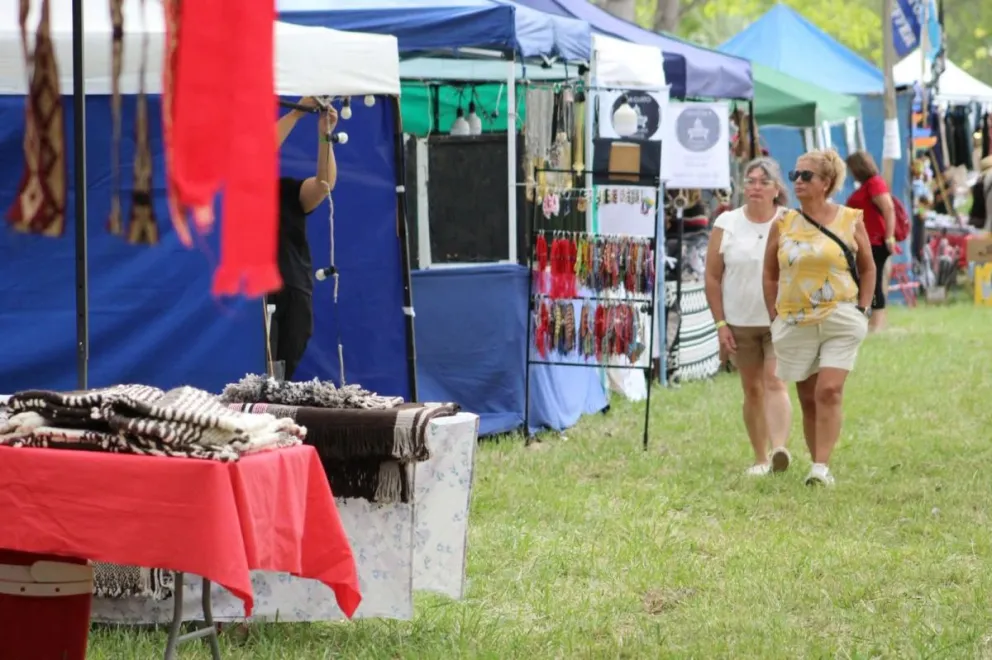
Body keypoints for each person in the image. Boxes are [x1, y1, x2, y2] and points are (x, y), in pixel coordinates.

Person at [762, 149, 877, 487]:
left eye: (806, 175)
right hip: (795, 320)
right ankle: (816, 461)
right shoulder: (782, 223)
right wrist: (774, 314)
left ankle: (821, 469)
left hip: (841, 316)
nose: (797, 180)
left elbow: (868, 267)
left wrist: (863, 309)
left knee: (829, 390)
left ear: (826, 183)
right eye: (795, 174)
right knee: (808, 396)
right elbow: (769, 273)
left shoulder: (850, 219)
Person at [704, 158, 793, 476]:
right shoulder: (726, 224)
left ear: (776, 189)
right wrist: (720, 324)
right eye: (750, 181)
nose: (755, 187)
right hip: (740, 321)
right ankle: (760, 457)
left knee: (775, 382)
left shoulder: (789, 222)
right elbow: (713, 278)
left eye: (763, 182)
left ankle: (780, 449)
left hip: (778, 321)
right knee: (751, 389)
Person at [267, 97, 338, 381]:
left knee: (280, 378)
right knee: (257, 374)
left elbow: (323, 185)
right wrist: (296, 114)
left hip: (293, 292)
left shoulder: (284, 190)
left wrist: (325, 133)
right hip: (255, 298)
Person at [844, 151, 898, 332]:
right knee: (866, 281)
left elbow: (888, 209)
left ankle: (876, 324)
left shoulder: (875, 183)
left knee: (872, 281)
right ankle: (873, 321)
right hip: (865, 241)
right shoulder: (867, 185)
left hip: (875, 241)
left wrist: (889, 236)